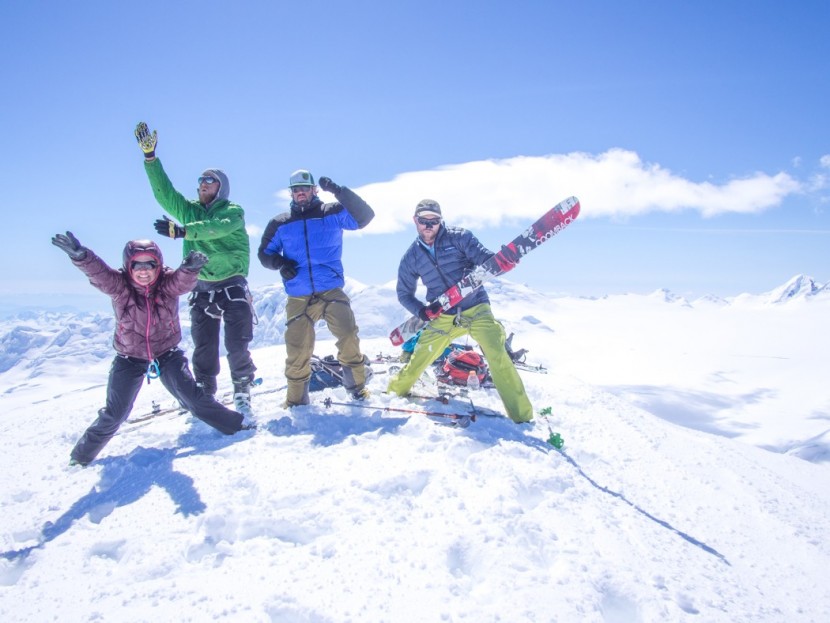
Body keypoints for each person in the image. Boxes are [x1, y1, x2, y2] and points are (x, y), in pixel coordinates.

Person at [51, 232, 253, 467]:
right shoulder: (120, 286)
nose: (144, 271)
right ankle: (80, 457)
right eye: (137, 265)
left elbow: (181, 282)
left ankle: (237, 426)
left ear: (158, 266)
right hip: (130, 357)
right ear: (129, 266)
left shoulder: (166, 284)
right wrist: (81, 256)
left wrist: (189, 269)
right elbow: (100, 274)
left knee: (194, 400)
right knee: (116, 413)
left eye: (150, 265)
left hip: (167, 354)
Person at [134, 122, 257, 419]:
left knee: (236, 343)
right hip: (201, 287)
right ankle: (204, 390)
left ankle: (242, 390)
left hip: (232, 285)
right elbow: (165, 195)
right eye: (201, 180)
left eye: (209, 180)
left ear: (221, 188)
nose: (202, 183)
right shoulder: (189, 211)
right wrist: (151, 158)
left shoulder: (232, 212)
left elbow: (215, 229)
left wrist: (182, 232)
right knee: (204, 345)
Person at [387, 199, 533, 423]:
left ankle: (522, 416)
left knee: (497, 353)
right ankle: (394, 394)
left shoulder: (460, 237)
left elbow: (486, 261)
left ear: (440, 221)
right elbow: (403, 293)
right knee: (420, 356)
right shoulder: (412, 257)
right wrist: (422, 312)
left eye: (433, 221)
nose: (428, 225)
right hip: (443, 315)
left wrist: (504, 260)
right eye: (423, 220)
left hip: (476, 307)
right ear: (415, 221)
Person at [257, 170, 374, 406]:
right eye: (296, 190)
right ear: (291, 193)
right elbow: (264, 254)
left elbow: (365, 217)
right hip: (299, 295)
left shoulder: (331, 213)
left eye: (305, 189)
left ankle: (358, 389)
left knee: (348, 335)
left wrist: (339, 191)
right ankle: (296, 401)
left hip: (330, 289)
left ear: (314, 190)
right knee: (297, 349)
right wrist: (280, 263)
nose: (300, 193)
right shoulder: (280, 223)